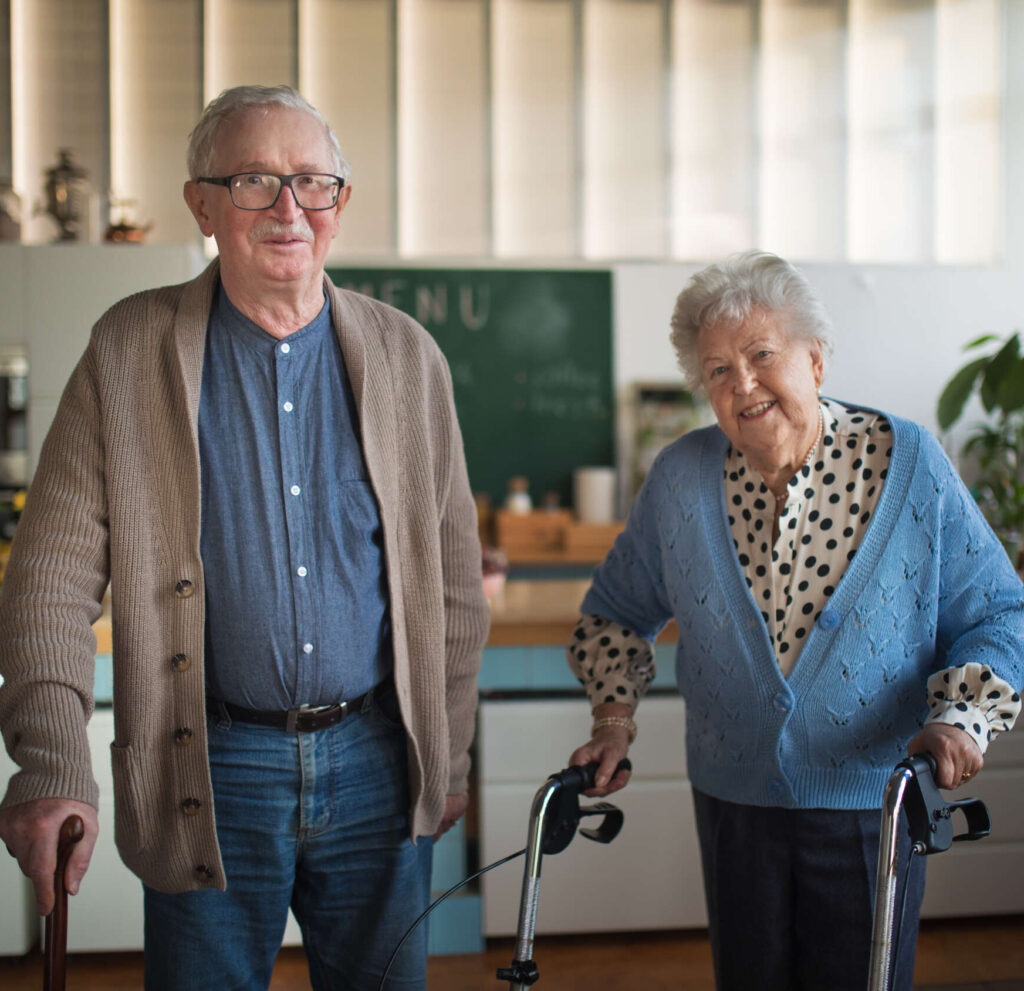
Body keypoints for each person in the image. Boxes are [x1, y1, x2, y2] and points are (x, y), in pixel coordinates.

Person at [0, 85, 490, 990]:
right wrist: (51, 760)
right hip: (210, 766)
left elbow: (454, 581)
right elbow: (50, 579)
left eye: (312, 182)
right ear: (202, 202)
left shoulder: (407, 357)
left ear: (340, 203)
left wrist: (447, 746)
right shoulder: (128, 350)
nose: (288, 208)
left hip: (376, 760)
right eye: (255, 180)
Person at [566, 251, 1023, 991]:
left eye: (760, 354)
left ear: (815, 357)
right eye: (716, 370)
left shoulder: (907, 463)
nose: (741, 383)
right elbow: (616, 612)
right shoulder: (680, 478)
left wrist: (960, 718)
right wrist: (614, 720)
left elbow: (1001, 611)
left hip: (874, 801)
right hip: (734, 805)